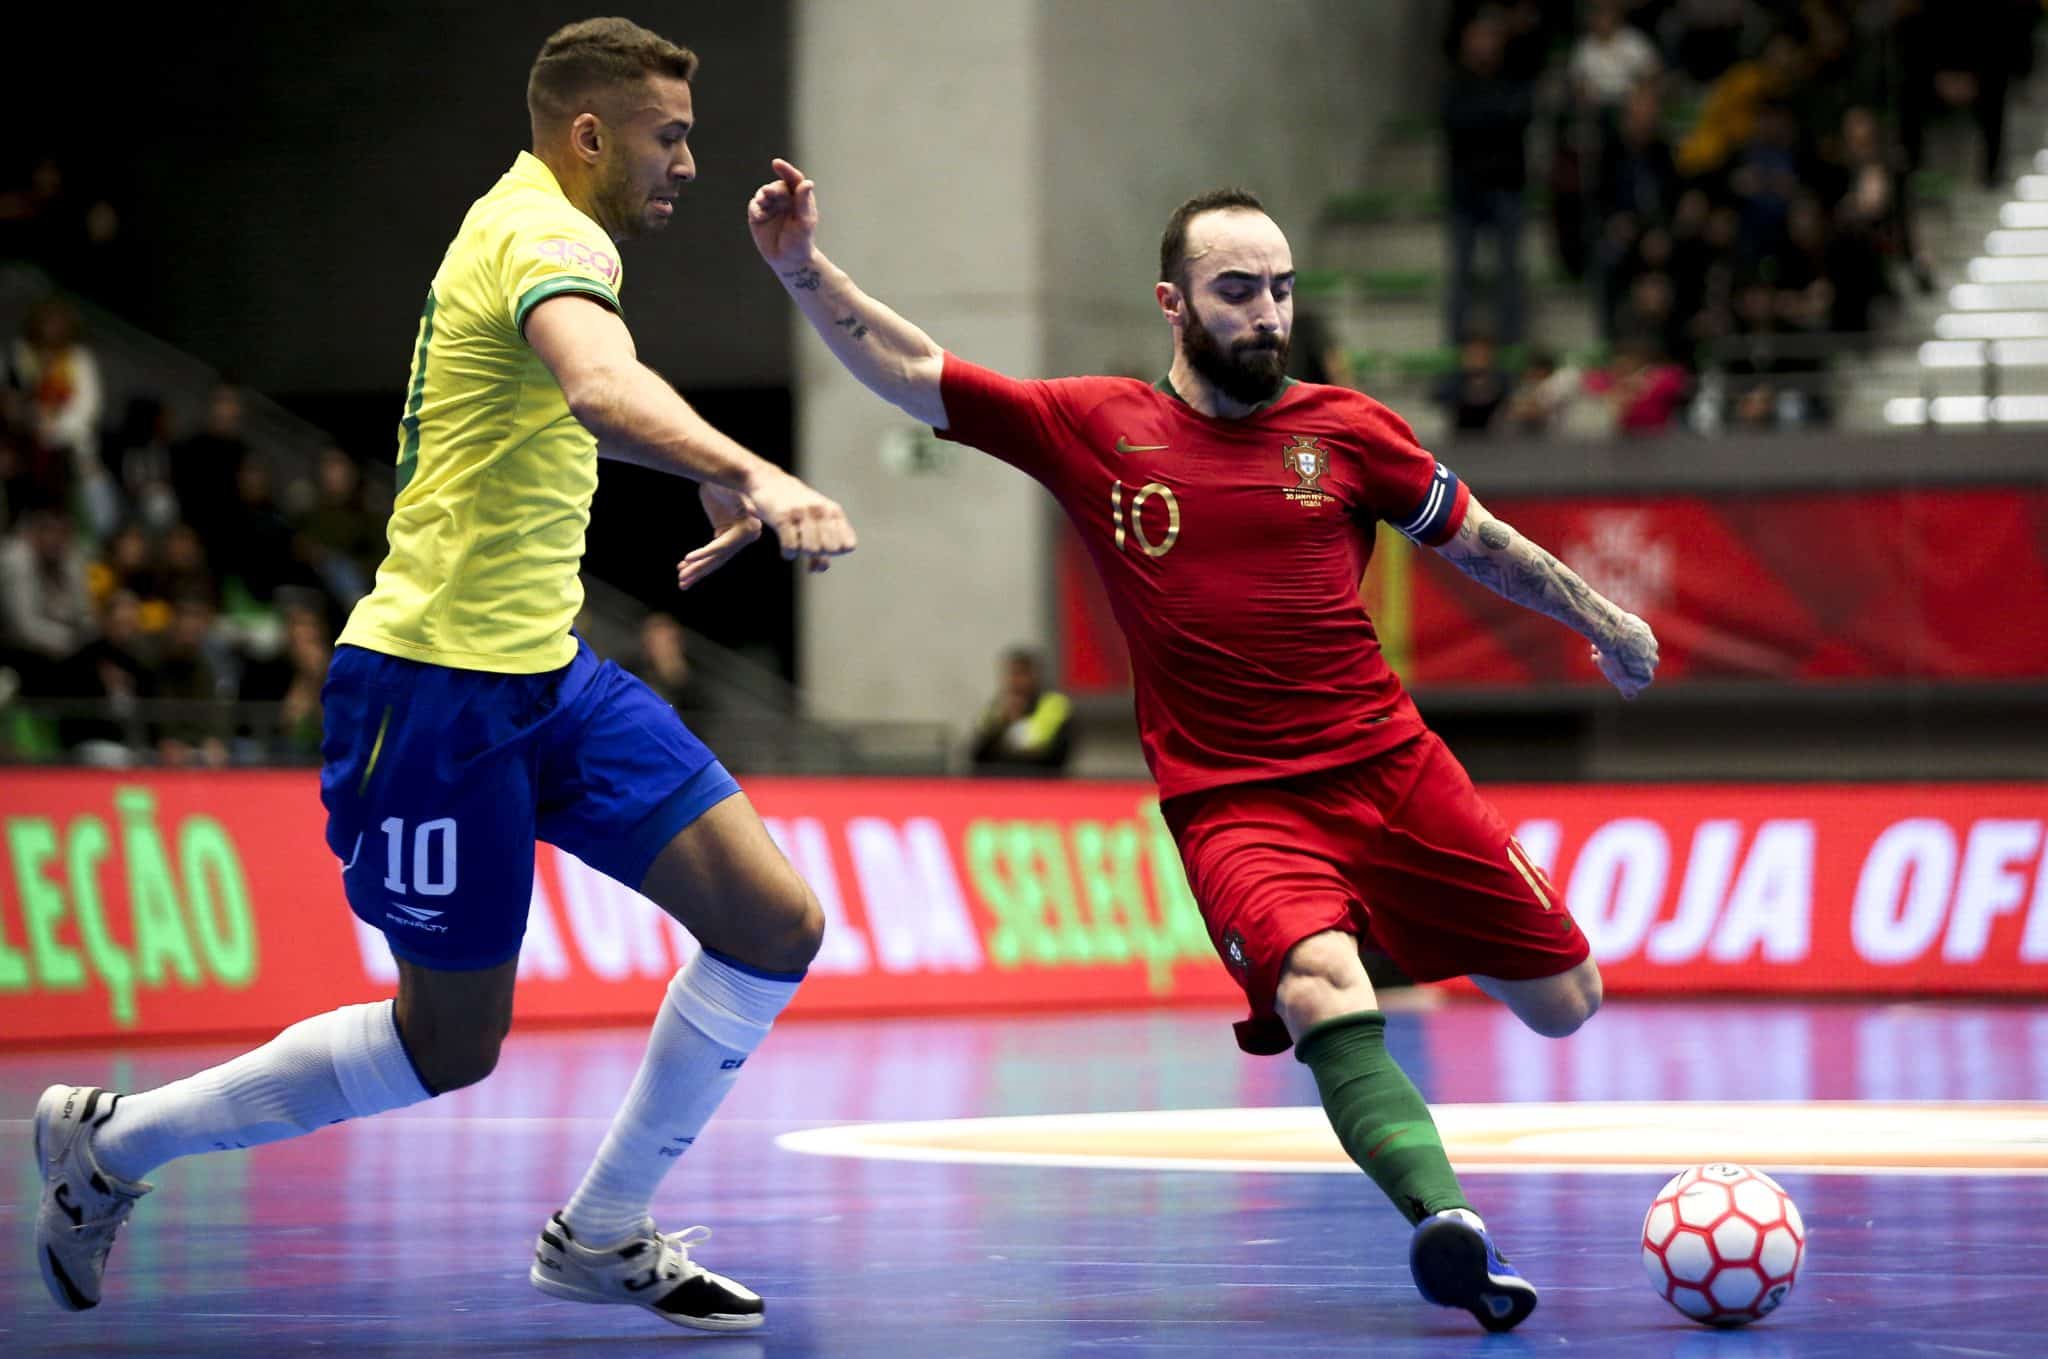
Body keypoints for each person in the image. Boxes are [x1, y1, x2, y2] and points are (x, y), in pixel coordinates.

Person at [33, 18, 856, 1334]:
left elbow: (567, 405)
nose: (689, 163)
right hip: (431, 693)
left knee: (774, 921)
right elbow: (597, 385)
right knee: (447, 1043)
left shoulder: (539, 232)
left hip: (548, 676)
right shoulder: (546, 233)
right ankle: (114, 1142)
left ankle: (599, 1232)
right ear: (588, 133)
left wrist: (698, 466)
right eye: (670, 135)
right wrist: (755, 466)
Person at [752, 167, 1658, 1332]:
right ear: (1173, 304)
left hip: (1391, 769)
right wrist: (799, 270)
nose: (1267, 314)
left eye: (1279, 290)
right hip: (1236, 805)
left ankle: (1390, 922)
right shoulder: (1095, 425)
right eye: (1237, 290)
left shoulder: (1347, 432)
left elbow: (1474, 542)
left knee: (1565, 1001)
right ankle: (1446, 1221)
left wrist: (1603, 619)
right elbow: (915, 371)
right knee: (1318, 983)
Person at [970, 647, 1074, 775]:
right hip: (998, 784)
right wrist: (1002, 723)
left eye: (1021, 674)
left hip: (1040, 784)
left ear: (1034, 676)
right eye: (1011, 674)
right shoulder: (995, 708)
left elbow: (1059, 756)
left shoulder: (1054, 705)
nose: (1015, 680)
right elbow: (975, 755)